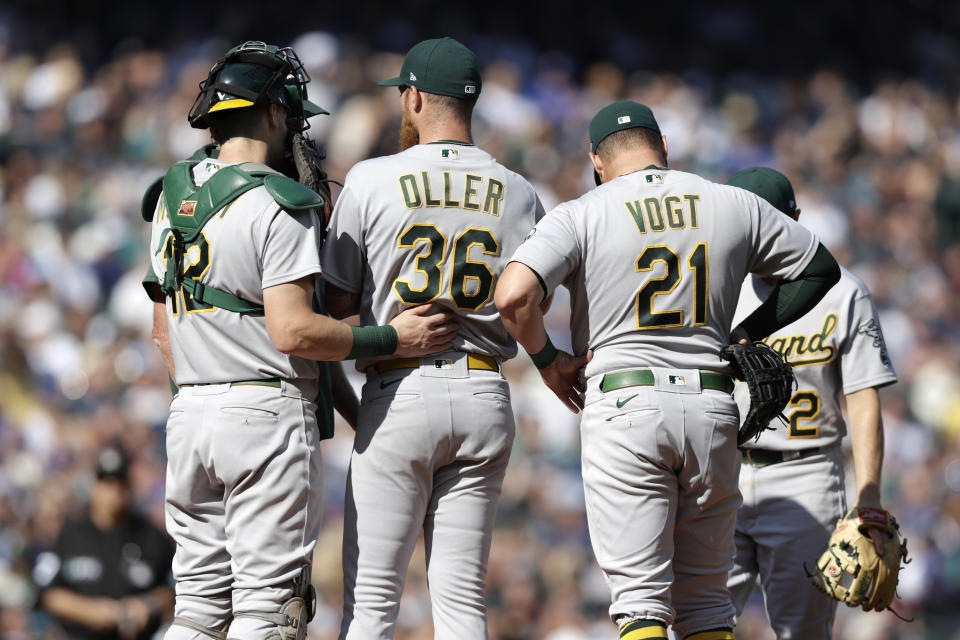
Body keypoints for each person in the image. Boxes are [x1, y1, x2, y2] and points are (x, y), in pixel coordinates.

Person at [142, 41, 457, 640]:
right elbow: (293, 330)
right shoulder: (279, 203)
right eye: (289, 114)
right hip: (263, 414)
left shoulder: (169, 196)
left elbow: (163, 333)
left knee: (198, 610)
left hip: (191, 415)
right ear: (272, 114)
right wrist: (393, 336)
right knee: (270, 612)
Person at [494, 101, 841, 640]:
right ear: (664, 148)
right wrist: (745, 334)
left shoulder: (583, 210)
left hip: (626, 403)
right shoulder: (729, 202)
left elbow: (514, 295)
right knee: (705, 604)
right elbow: (819, 268)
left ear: (596, 160)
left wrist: (548, 362)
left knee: (641, 605)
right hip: (712, 405)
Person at [319, 37, 545, 640]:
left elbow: (335, 310)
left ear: (414, 96)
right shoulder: (520, 191)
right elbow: (529, 306)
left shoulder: (371, 179)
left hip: (401, 391)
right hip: (483, 391)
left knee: (371, 608)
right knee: (463, 607)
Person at [724, 168, 898, 639]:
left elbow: (862, 398)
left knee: (802, 633)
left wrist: (870, 497)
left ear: (796, 220)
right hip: (720, 471)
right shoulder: (714, 288)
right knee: (694, 623)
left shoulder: (842, 292)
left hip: (807, 475)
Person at [34, 446, 175, 640]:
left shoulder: (152, 536)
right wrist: (93, 612)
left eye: (119, 482)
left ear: (129, 486)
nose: (113, 491)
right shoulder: (71, 534)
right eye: (106, 482)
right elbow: (47, 593)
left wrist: (148, 604)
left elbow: (175, 587)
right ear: (95, 485)